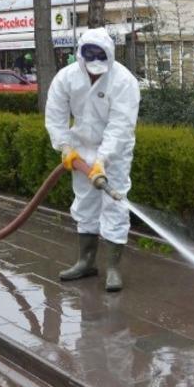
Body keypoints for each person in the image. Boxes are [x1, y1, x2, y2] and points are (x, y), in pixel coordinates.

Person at [45, 28, 140, 292]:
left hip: (116, 153)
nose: (95, 66)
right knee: (85, 202)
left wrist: (103, 160)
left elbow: (120, 125)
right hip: (80, 150)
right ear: (81, 55)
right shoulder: (66, 78)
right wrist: (65, 146)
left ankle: (113, 268)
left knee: (114, 203)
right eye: (91, 58)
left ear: (109, 56)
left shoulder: (123, 82)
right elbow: (55, 115)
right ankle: (86, 261)